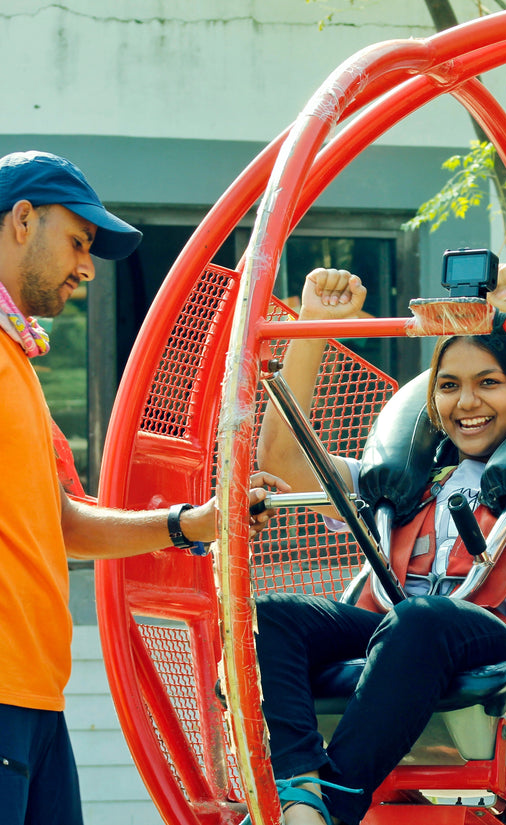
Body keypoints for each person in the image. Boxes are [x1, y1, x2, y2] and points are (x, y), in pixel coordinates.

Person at [252, 261, 506, 825]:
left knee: (422, 618)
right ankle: (300, 792)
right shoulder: (403, 486)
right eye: (449, 386)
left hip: (492, 637)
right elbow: (283, 463)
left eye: (488, 383)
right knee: (272, 616)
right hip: (402, 633)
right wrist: (312, 330)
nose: (467, 403)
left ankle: (333, 807)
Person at [0, 150, 282, 825]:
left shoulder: (18, 362)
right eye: (77, 241)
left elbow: (63, 522)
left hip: (37, 698)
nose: (85, 267)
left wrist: (197, 521)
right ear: (21, 220)